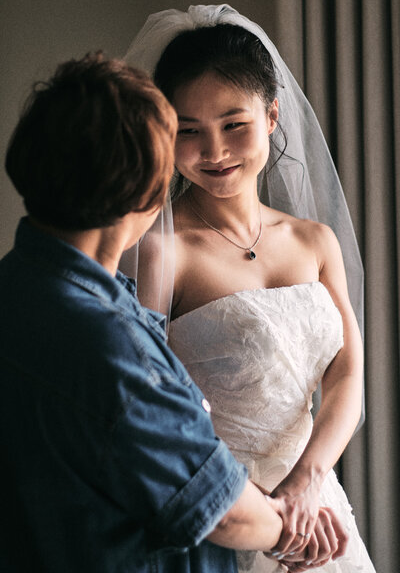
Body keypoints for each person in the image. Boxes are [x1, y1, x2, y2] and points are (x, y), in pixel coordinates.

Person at [0, 51, 294, 573]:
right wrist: (289, 525)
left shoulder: (15, 284)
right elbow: (221, 514)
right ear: (148, 190)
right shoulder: (108, 342)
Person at [123, 5, 376, 572]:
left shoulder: (315, 241)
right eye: (188, 131)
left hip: (315, 506)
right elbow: (143, 406)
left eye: (233, 124)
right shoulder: (160, 251)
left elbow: (347, 374)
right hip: (223, 511)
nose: (213, 152)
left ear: (272, 116)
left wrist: (308, 481)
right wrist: (261, 509)